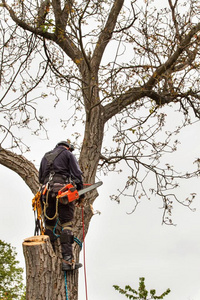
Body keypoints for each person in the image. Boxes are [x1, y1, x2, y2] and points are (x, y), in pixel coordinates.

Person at [39, 140, 84, 271]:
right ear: (68, 147)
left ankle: (49, 254)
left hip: (46, 193)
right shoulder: (68, 154)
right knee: (66, 224)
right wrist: (80, 193)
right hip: (63, 192)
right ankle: (67, 260)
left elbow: (41, 178)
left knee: (49, 224)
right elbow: (77, 174)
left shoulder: (45, 156)